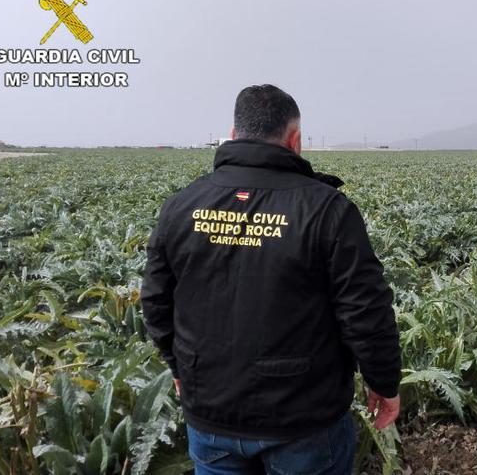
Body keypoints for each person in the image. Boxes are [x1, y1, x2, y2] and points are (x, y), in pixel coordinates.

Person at [141, 84, 402, 474]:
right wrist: (384, 381)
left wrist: (178, 367)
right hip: (303, 417)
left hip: (210, 412)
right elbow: (364, 310)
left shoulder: (181, 206)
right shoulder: (327, 209)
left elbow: (156, 302)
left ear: (233, 135)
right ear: (294, 138)